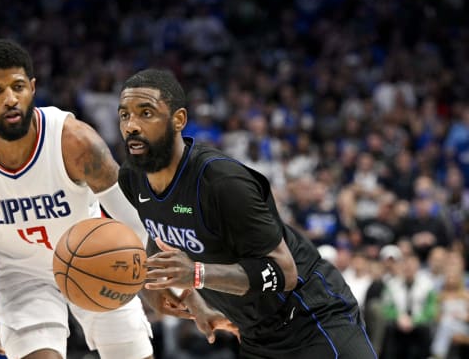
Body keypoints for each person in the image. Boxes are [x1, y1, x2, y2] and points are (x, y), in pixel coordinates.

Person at [116, 68, 378, 358]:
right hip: (254, 334)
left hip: (311, 316)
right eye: (124, 115)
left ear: (178, 120)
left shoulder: (222, 182)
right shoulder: (132, 178)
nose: (131, 126)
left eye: (146, 113)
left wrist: (196, 275)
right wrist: (192, 299)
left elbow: (284, 271)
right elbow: (161, 235)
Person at [0, 39, 154, 359]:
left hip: (96, 258)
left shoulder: (75, 142)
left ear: (32, 88)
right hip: (19, 275)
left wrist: (172, 289)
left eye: (18, 87)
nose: (11, 99)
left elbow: (133, 219)